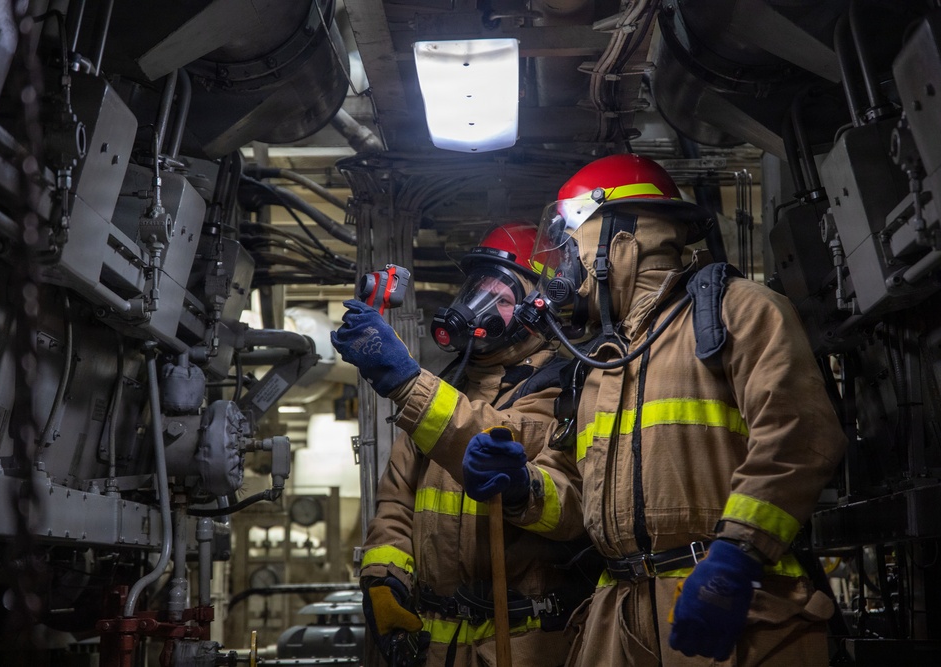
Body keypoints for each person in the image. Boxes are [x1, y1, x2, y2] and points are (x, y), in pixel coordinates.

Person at [460, 155, 848, 666]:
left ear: (622, 241)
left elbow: (799, 439)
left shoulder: (739, 311)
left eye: (572, 245)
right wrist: (523, 488)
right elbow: (582, 499)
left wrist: (737, 556)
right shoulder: (600, 361)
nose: (564, 269)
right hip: (619, 615)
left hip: (728, 606)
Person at [330, 222, 596, 667]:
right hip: (433, 650)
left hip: (524, 648)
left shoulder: (567, 389)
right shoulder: (451, 386)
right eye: (477, 290)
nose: (478, 308)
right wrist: (384, 580)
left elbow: (496, 436)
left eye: (502, 299)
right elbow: (397, 501)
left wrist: (409, 384)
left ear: (539, 310)